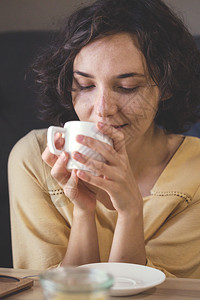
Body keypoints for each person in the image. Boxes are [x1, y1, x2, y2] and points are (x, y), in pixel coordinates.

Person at [8, 0, 200, 278]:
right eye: (85, 85)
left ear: (167, 86)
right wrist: (83, 213)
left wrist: (131, 212)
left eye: (126, 87)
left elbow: (163, 294)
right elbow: (44, 292)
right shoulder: (33, 159)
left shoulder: (194, 172)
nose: (102, 109)